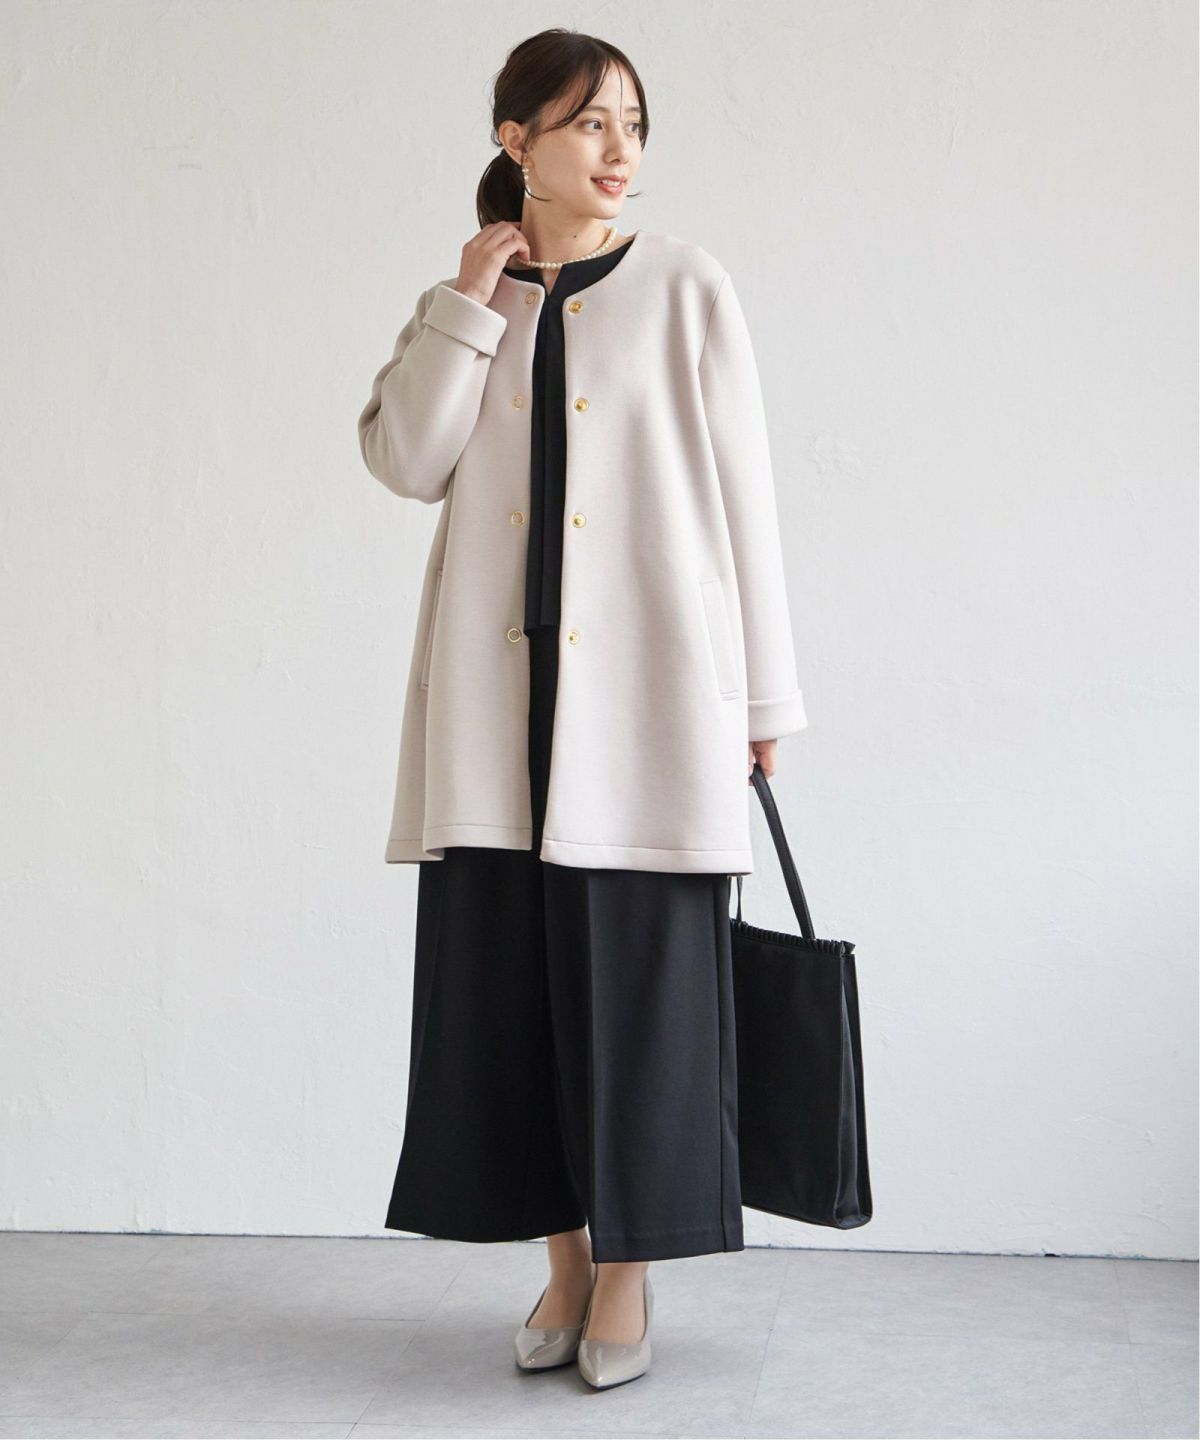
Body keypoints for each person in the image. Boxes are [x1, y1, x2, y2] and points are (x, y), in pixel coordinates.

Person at [356, 28, 808, 1390]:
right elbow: (404, 459)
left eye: (632, 124)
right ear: (518, 141)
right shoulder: (469, 299)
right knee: (517, 1008)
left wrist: (763, 693)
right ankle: (561, 1268)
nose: (620, 150)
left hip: (649, 710)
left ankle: (627, 1281)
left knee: (642, 1008)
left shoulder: (685, 286)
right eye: (589, 123)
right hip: (498, 726)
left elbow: (748, 499)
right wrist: (466, 304)